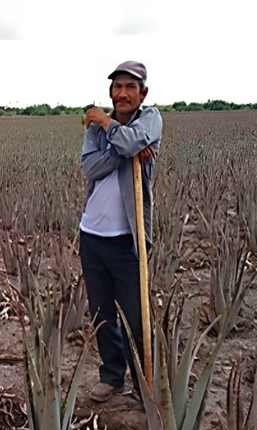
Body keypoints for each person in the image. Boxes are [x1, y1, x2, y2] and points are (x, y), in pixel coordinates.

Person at [79, 60, 162, 402]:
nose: (122, 93)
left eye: (130, 87)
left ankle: (144, 384)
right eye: (117, 87)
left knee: (135, 316)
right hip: (92, 235)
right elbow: (90, 167)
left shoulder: (151, 118)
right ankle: (113, 377)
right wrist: (124, 147)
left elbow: (135, 141)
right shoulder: (95, 130)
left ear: (142, 93)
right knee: (102, 314)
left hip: (128, 237)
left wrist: (107, 123)